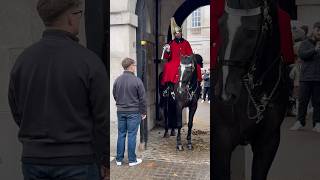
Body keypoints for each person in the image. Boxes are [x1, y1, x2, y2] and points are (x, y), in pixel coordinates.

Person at [8, 0, 109, 179]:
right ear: (70, 18)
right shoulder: (88, 61)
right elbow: (103, 118)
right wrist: (103, 158)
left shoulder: (22, 61)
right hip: (78, 162)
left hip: (33, 161)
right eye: (78, 14)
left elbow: (17, 111)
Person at [113, 58, 147, 167]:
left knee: (121, 134)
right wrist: (143, 112)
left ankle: (119, 159)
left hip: (120, 111)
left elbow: (115, 95)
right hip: (134, 112)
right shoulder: (137, 80)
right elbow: (142, 99)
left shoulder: (117, 80)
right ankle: (132, 160)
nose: (135, 67)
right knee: (132, 135)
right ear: (131, 66)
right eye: (134, 65)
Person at [290, 22, 320, 132]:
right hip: (306, 78)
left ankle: (317, 123)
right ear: (314, 30)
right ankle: (300, 122)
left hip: (318, 79)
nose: (319, 33)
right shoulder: (305, 43)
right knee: (303, 101)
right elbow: (302, 55)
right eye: (318, 30)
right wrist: (315, 50)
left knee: (318, 102)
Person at [161, 18, 202, 90]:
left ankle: (197, 85)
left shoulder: (186, 43)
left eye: (179, 32)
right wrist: (167, 51)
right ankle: (168, 87)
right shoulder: (171, 43)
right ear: (174, 34)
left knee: (197, 67)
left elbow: (190, 53)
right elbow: (167, 56)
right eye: (176, 33)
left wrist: (188, 58)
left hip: (185, 61)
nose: (178, 34)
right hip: (174, 61)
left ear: (181, 33)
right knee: (168, 66)